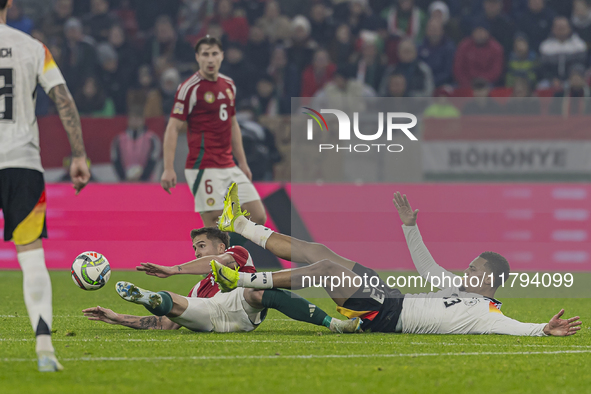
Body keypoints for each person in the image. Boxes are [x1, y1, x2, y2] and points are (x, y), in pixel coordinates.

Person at [211, 184, 582, 337]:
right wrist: (410, 227)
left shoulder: (485, 313)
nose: (465, 271)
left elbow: (513, 326)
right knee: (322, 253)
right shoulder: (455, 286)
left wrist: (542, 330)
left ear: (489, 282)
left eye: (474, 269)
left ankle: (240, 280)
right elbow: (426, 267)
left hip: (388, 315)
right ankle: (239, 223)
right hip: (391, 295)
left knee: (324, 271)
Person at [0, 0, 91, 372]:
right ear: (9, 4)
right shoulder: (33, 47)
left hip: (20, 161)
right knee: (31, 254)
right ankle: (44, 348)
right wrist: (80, 155)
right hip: (21, 163)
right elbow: (63, 99)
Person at [83, 227, 359, 334]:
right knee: (173, 304)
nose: (196, 251)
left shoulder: (237, 254)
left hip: (242, 304)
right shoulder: (197, 287)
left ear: (219, 246)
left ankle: (334, 324)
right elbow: (164, 326)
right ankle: (153, 299)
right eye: (194, 248)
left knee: (255, 291)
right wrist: (117, 317)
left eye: (201, 246)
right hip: (212, 317)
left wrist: (174, 268)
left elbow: (219, 264)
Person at [160, 35, 267, 234]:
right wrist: (168, 168)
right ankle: (215, 262)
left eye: (214, 54)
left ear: (222, 56)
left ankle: (227, 256)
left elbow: (233, 124)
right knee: (214, 227)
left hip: (228, 164)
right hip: (203, 166)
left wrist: (242, 163)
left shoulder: (228, 85)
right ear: (198, 58)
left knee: (257, 215)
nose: (210, 59)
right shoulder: (189, 88)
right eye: (205, 54)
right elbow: (173, 128)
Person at [111, 106, 162, 182]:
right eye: (133, 119)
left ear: (143, 120)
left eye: (138, 119)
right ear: (128, 120)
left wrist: (143, 178)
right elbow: (116, 160)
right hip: (125, 182)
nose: (135, 121)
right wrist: (124, 178)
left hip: (147, 182)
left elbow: (153, 160)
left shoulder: (152, 139)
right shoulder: (119, 139)